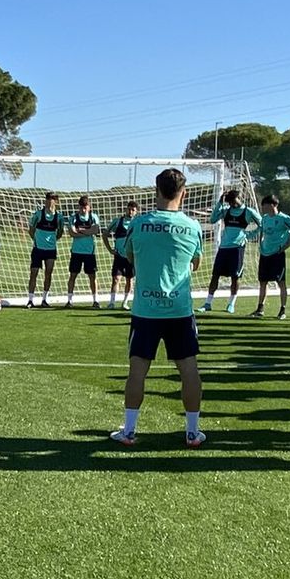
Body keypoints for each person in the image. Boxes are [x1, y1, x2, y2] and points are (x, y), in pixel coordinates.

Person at [110, 168, 207, 448]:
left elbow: (128, 255)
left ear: (156, 191)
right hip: (179, 310)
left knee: (137, 370)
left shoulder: (139, 224)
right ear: (183, 193)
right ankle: (192, 432)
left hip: (146, 311)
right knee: (189, 369)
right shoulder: (192, 227)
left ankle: (129, 431)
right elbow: (197, 262)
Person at [202, 189, 260, 312]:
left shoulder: (248, 212)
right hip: (224, 247)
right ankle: (207, 303)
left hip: (237, 248)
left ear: (239, 198)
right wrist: (220, 203)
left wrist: (248, 236)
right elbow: (212, 220)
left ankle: (231, 304)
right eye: (230, 202)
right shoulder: (226, 211)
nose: (232, 204)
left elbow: (263, 224)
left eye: (234, 201)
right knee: (215, 275)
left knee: (235, 276)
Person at [249, 194, 290, 318]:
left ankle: (282, 310)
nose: (263, 208)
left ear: (272, 205)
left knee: (281, 283)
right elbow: (261, 231)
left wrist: (285, 246)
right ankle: (260, 309)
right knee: (263, 282)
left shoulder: (283, 218)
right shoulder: (265, 218)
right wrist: (261, 245)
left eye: (264, 205)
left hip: (277, 255)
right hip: (265, 254)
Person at [25, 192, 63, 307]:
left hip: (51, 249)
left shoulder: (59, 217)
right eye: (47, 199)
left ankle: (44, 299)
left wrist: (52, 241)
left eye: (51, 199)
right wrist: (36, 240)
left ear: (56, 201)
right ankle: (30, 300)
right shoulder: (38, 214)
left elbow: (60, 232)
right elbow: (31, 230)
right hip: (38, 249)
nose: (49, 201)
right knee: (34, 273)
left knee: (48, 273)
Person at [64, 195, 101, 307]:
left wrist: (81, 230)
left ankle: (95, 301)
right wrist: (87, 231)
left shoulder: (93, 217)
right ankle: (69, 301)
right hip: (76, 252)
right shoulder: (73, 217)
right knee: (73, 276)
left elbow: (95, 230)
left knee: (92, 277)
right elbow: (72, 233)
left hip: (89, 252)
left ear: (89, 207)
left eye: (85, 207)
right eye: (81, 207)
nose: (83, 209)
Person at [102, 199, 140, 309]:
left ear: (136, 211)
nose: (130, 212)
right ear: (126, 209)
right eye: (129, 209)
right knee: (116, 279)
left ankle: (125, 302)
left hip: (131, 257)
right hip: (119, 256)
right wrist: (110, 249)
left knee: (130, 279)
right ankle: (112, 302)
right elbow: (105, 234)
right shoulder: (117, 221)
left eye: (133, 210)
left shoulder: (138, 223)